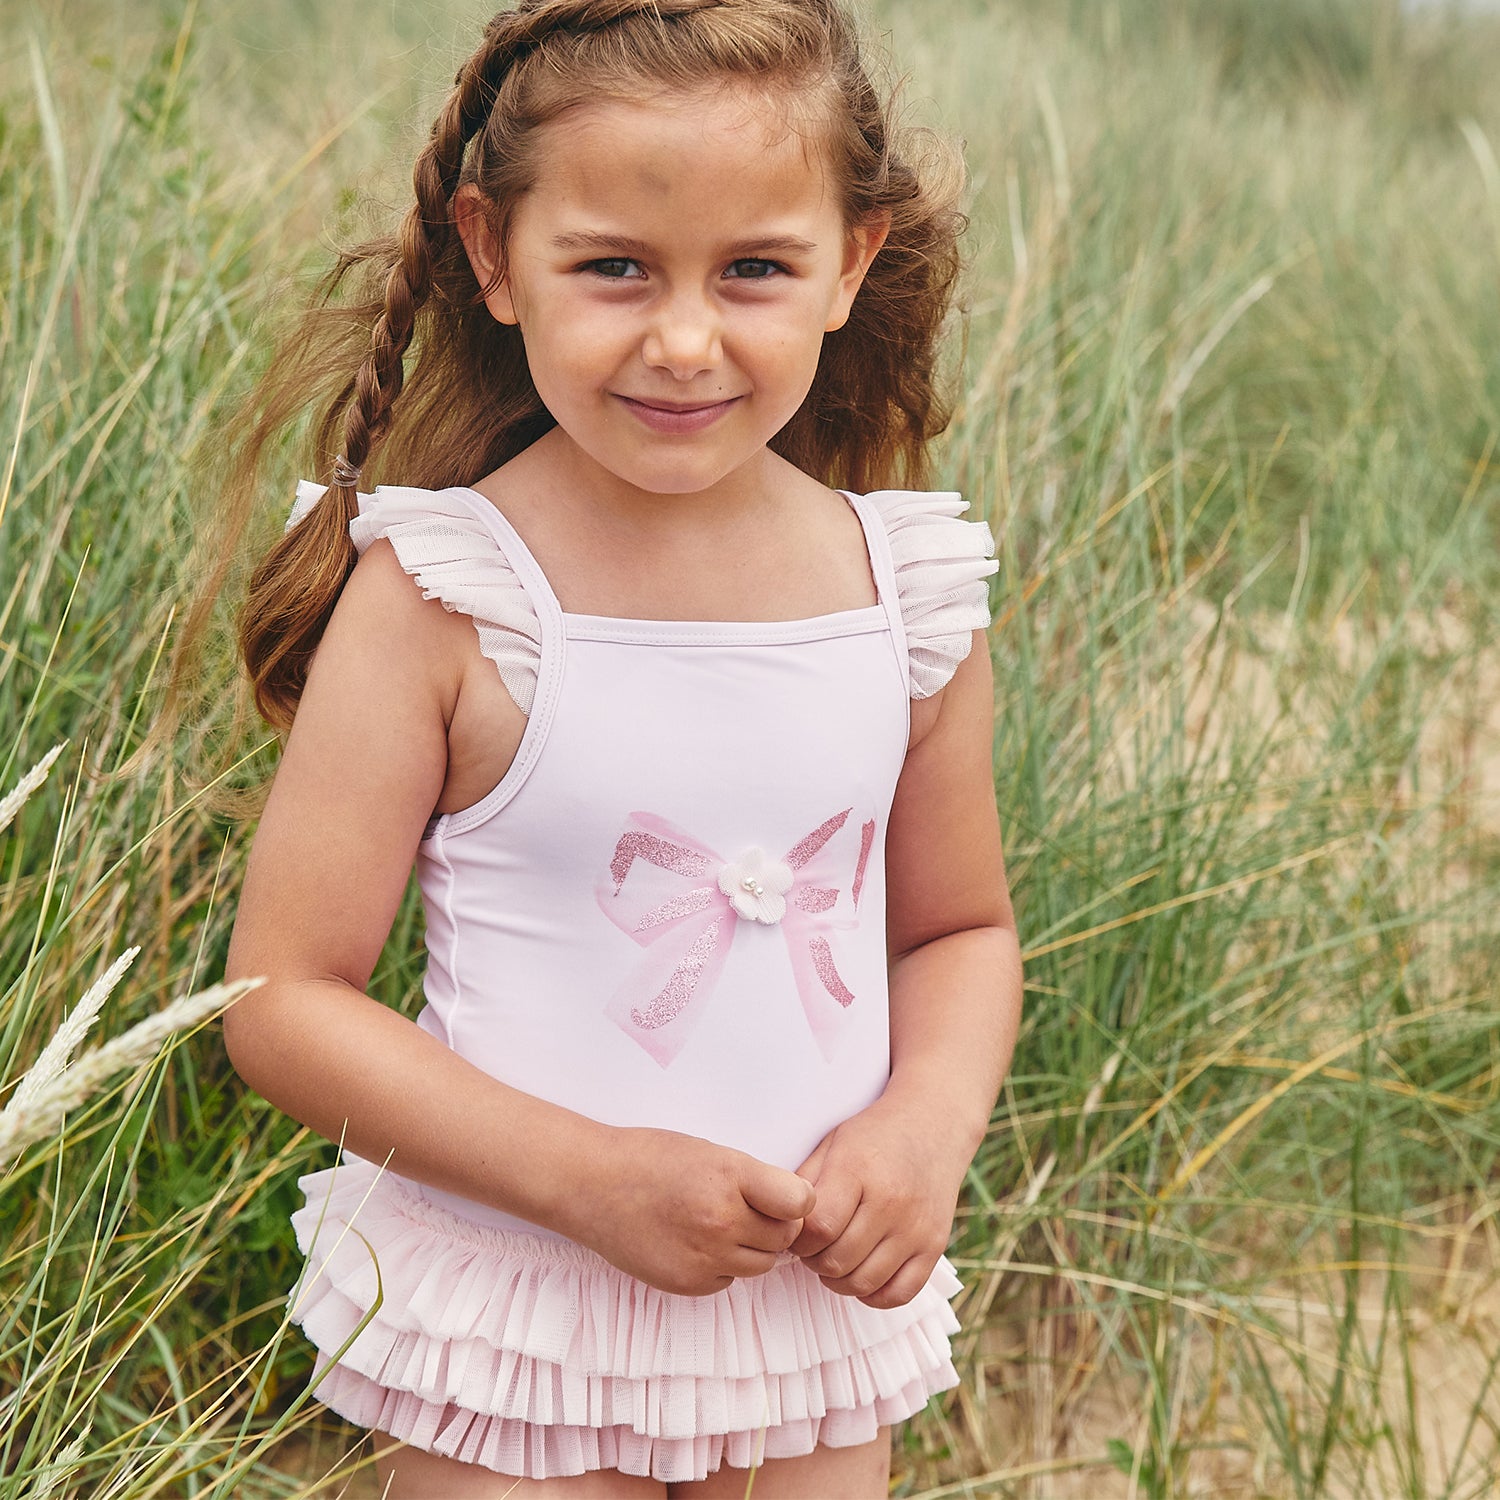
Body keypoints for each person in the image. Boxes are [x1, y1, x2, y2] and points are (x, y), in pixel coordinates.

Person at [219, 0, 1023, 1494]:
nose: (683, 339)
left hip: (807, 1315)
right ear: (491, 251)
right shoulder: (448, 596)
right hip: (517, 1308)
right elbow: (283, 999)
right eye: (613, 268)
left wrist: (925, 1130)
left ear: (852, 262)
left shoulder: (903, 596)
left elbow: (962, 929)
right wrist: (588, 1184)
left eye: (756, 271)